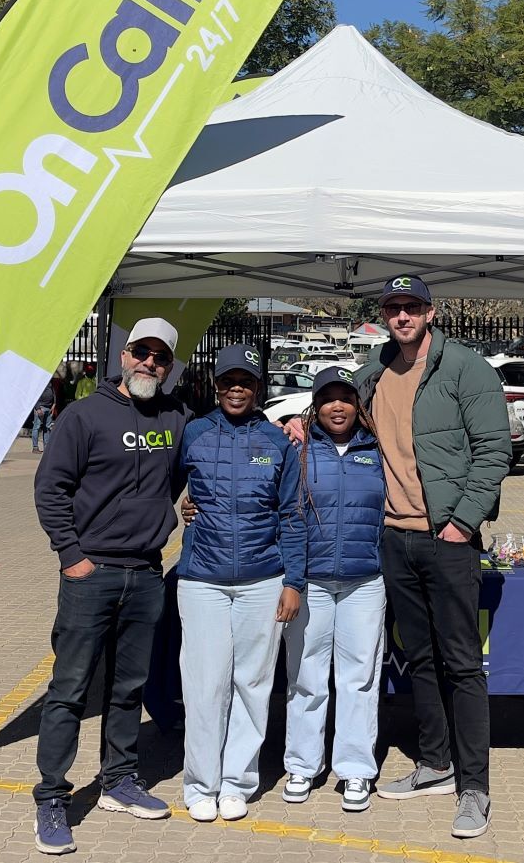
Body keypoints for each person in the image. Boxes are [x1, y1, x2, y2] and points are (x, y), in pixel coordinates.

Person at [287, 275, 510, 839]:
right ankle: (435, 764)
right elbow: (333, 405)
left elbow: (494, 450)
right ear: (384, 315)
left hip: (447, 538)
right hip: (394, 539)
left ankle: (474, 788)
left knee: (461, 662)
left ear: (431, 313)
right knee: (422, 659)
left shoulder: (465, 368)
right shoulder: (374, 371)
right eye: (393, 307)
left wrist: (463, 521)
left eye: (412, 307)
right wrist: (298, 421)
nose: (402, 315)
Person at [30, 318, 188, 855]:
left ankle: (119, 779)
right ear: (124, 355)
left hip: (145, 573)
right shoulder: (84, 415)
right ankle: (53, 796)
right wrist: (71, 556)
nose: (149, 362)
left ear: (169, 365)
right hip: (91, 574)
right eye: (141, 352)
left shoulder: (174, 415)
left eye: (160, 357)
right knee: (70, 690)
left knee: (128, 689)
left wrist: (294, 426)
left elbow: (195, 461)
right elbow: (51, 487)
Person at [176, 344, 305, 823]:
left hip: (262, 581)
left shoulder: (275, 443)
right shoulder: (193, 434)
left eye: (246, 382)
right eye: (229, 380)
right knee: (205, 683)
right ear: (216, 384)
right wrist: (180, 508)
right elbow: (163, 489)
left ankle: (237, 783)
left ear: (258, 388)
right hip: (202, 580)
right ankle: (200, 783)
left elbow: (292, 515)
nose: (236, 388)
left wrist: (293, 581)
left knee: (252, 682)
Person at [280, 366, 386, 813]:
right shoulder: (296, 446)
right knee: (306, 678)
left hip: (365, 581)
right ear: (315, 405)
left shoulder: (377, 448)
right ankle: (303, 764)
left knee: (359, 678)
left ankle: (356, 769)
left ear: (358, 404)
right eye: (328, 399)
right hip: (312, 582)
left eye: (346, 397)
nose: (337, 406)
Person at [30, 376, 59, 453]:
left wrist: (54, 404)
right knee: (36, 427)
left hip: (49, 408)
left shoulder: (50, 383)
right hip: (40, 408)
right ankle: (35, 447)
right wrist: (38, 408)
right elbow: (34, 396)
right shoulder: (39, 384)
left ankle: (46, 447)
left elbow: (54, 393)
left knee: (47, 428)